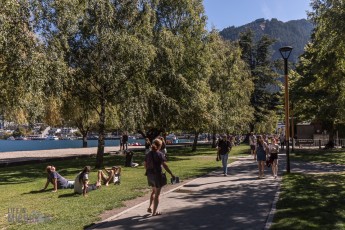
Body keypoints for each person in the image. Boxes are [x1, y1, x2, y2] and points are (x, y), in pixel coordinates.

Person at [144, 138, 175, 216]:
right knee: (157, 194)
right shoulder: (160, 154)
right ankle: (154, 212)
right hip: (157, 175)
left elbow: (145, 164)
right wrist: (171, 174)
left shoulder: (148, 154)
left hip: (149, 175)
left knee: (153, 191)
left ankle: (150, 207)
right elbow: (165, 165)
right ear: (160, 146)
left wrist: (148, 170)